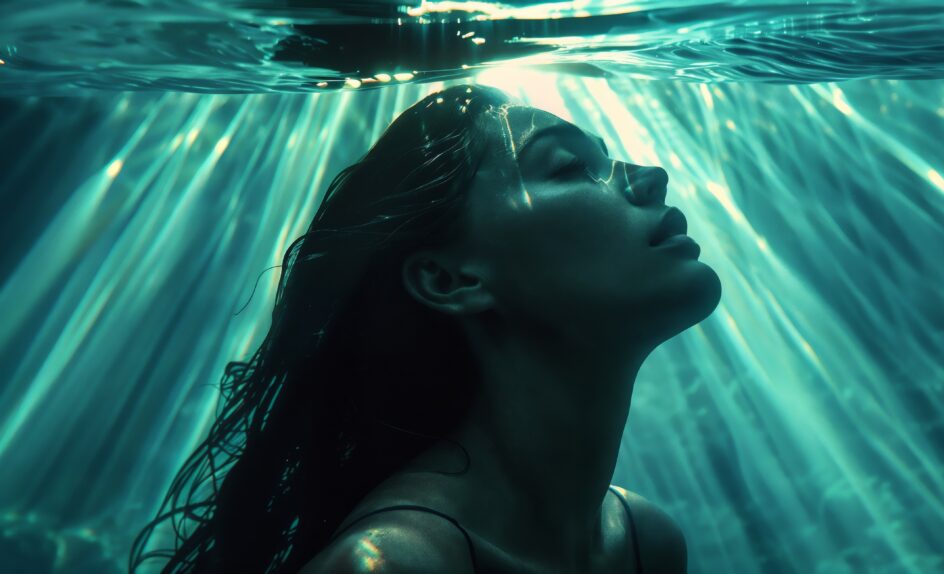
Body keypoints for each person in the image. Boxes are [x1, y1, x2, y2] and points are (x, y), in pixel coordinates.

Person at [130, 83, 720, 574]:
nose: (650, 174)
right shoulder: (389, 566)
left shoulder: (648, 541)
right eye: (569, 166)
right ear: (448, 279)